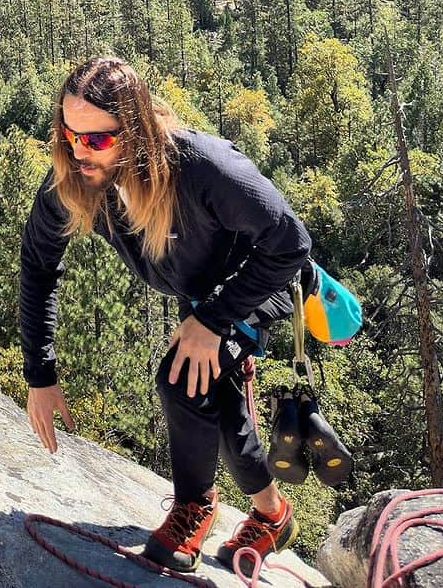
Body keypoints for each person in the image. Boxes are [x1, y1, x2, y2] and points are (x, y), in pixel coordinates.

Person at [19, 55, 314, 574]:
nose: (80, 150)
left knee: (182, 378)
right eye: (70, 134)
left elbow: (290, 245)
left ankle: (193, 507)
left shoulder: (204, 169)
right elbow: (38, 265)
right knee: (218, 400)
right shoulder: (78, 177)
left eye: (98, 139)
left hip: (260, 282)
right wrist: (40, 375)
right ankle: (274, 516)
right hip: (201, 291)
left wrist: (212, 321)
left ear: (133, 131)